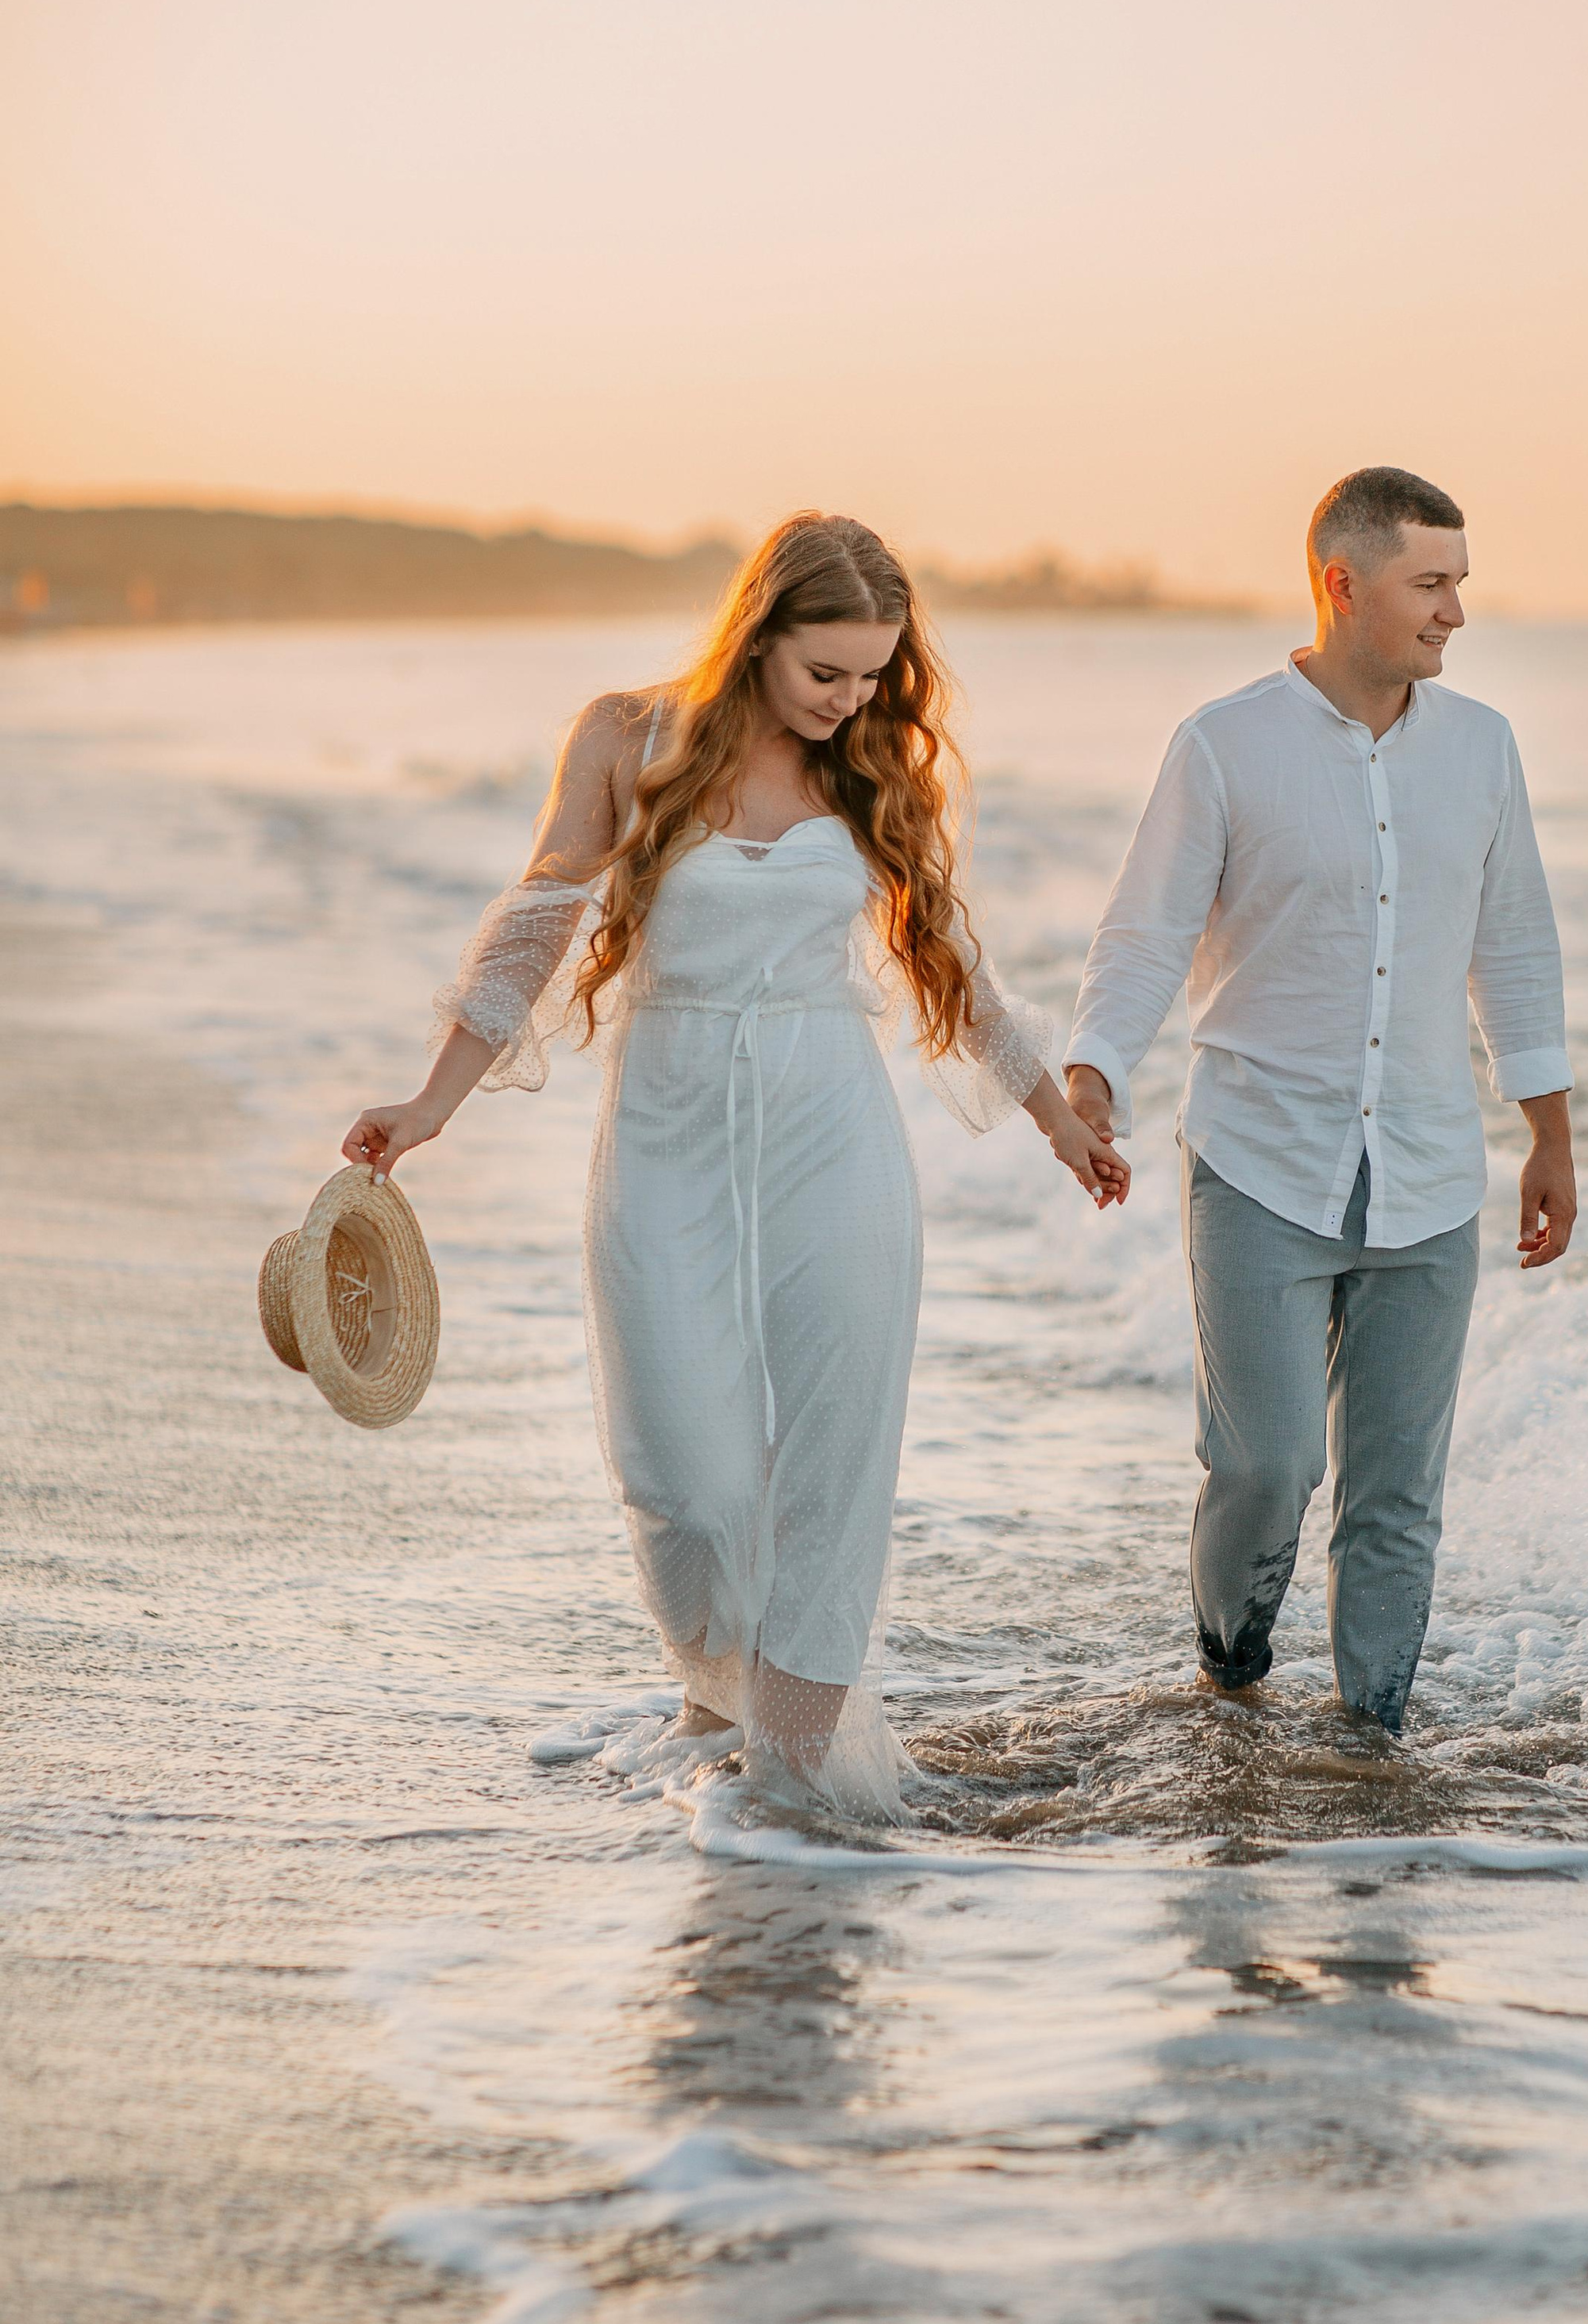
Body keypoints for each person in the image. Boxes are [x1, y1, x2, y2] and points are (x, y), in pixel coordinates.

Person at [341, 513, 1128, 1819]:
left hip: (834, 1127)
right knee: (689, 1481)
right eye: (828, 672)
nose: (853, 700)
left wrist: (1055, 1115)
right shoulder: (626, 737)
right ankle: (718, 1701)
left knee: (836, 1457)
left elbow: (950, 959)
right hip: (667, 1127)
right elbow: (540, 917)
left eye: (875, 674)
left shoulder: (870, 767)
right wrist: (435, 1100)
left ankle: (792, 1793)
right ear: (758, 633)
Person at [1063, 466, 1575, 1733]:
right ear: (1343, 586)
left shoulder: (1484, 749)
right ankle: (1231, 1675)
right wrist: (1092, 1074)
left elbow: (1514, 948)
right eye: (1431, 583)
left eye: (1461, 583)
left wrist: (1548, 1135)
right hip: (1258, 1161)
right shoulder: (1225, 744)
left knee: (1398, 1492)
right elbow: (1143, 936)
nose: (1456, 612)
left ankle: (1372, 1746)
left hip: (1428, 1169)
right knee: (1266, 1464)